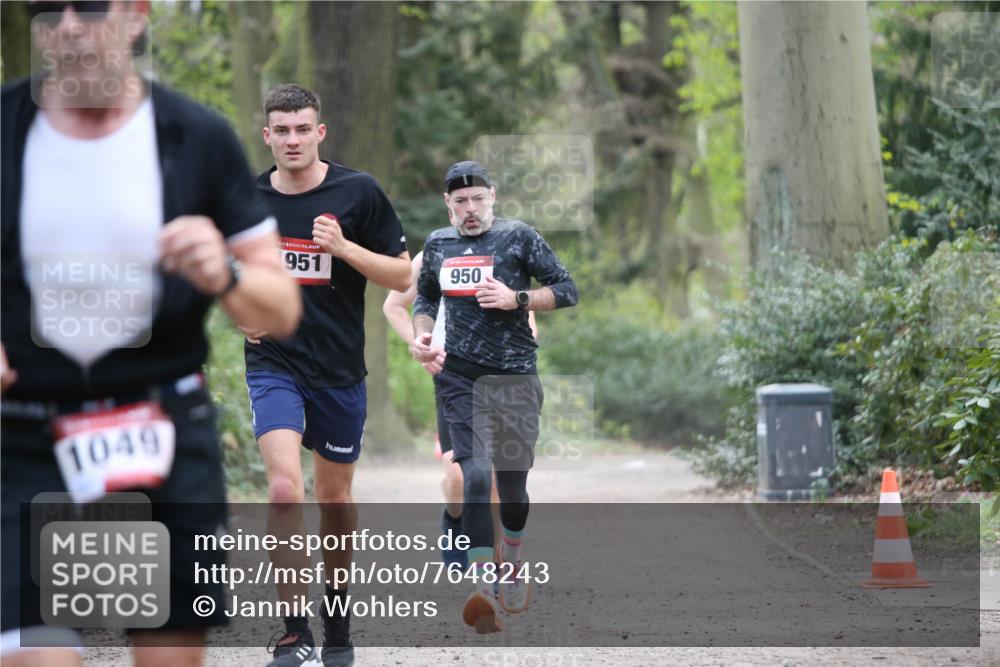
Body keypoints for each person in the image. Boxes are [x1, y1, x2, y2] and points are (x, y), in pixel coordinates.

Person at [0, 2, 301, 667]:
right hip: (27, 437)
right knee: (37, 656)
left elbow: (280, 308)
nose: (69, 24)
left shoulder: (196, 137)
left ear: (136, 15)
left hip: (157, 432)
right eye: (49, 7)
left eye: (90, 6)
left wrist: (224, 272)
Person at [243, 83, 410, 667]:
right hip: (274, 363)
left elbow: (403, 277)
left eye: (302, 129)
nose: (292, 140)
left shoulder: (358, 192)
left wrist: (344, 248)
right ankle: (295, 633)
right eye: (281, 131)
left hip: (339, 369)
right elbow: (221, 271)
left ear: (320, 132)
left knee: (334, 499)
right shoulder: (247, 199)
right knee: (284, 489)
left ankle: (337, 624)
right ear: (267, 135)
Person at [412, 161, 578, 633]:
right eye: (460, 201)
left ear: (493, 197)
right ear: (448, 204)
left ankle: (514, 561)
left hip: (515, 378)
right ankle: (483, 587)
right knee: (475, 476)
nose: (470, 209)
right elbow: (425, 298)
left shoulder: (519, 237)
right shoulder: (438, 244)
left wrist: (517, 299)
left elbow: (567, 289)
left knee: (513, 492)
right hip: (459, 378)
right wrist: (423, 334)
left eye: (478, 199)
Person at [383, 252, 537, 570]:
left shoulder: (507, 249)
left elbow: (529, 323)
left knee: (491, 481)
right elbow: (393, 305)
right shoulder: (435, 252)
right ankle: (454, 520)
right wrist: (422, 345)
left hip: (499, 380)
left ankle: (495, 569)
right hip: (453, 379)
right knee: (457, 477)